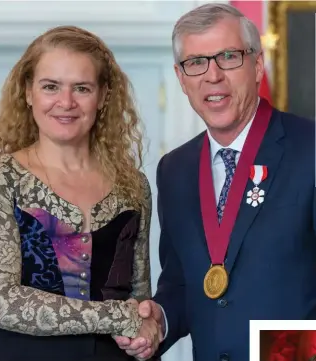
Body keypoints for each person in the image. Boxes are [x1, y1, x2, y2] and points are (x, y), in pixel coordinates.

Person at [114, 3, 316, 361]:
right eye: (196, 63)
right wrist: (158, 321)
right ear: (181, 78)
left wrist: (287, 352)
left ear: (256, 66)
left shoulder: (309, 148)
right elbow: (180, 282)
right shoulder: (174, 170)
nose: (213, 76)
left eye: (228, 57)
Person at [0, 25, 162, 361]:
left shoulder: (134, 184)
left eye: (82, 88)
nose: (65, 102)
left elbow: (138, 297)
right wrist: (118, 316)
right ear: (28, 92)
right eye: (50, 86)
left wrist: (147, 334)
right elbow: (1, 302)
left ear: (103, 96)